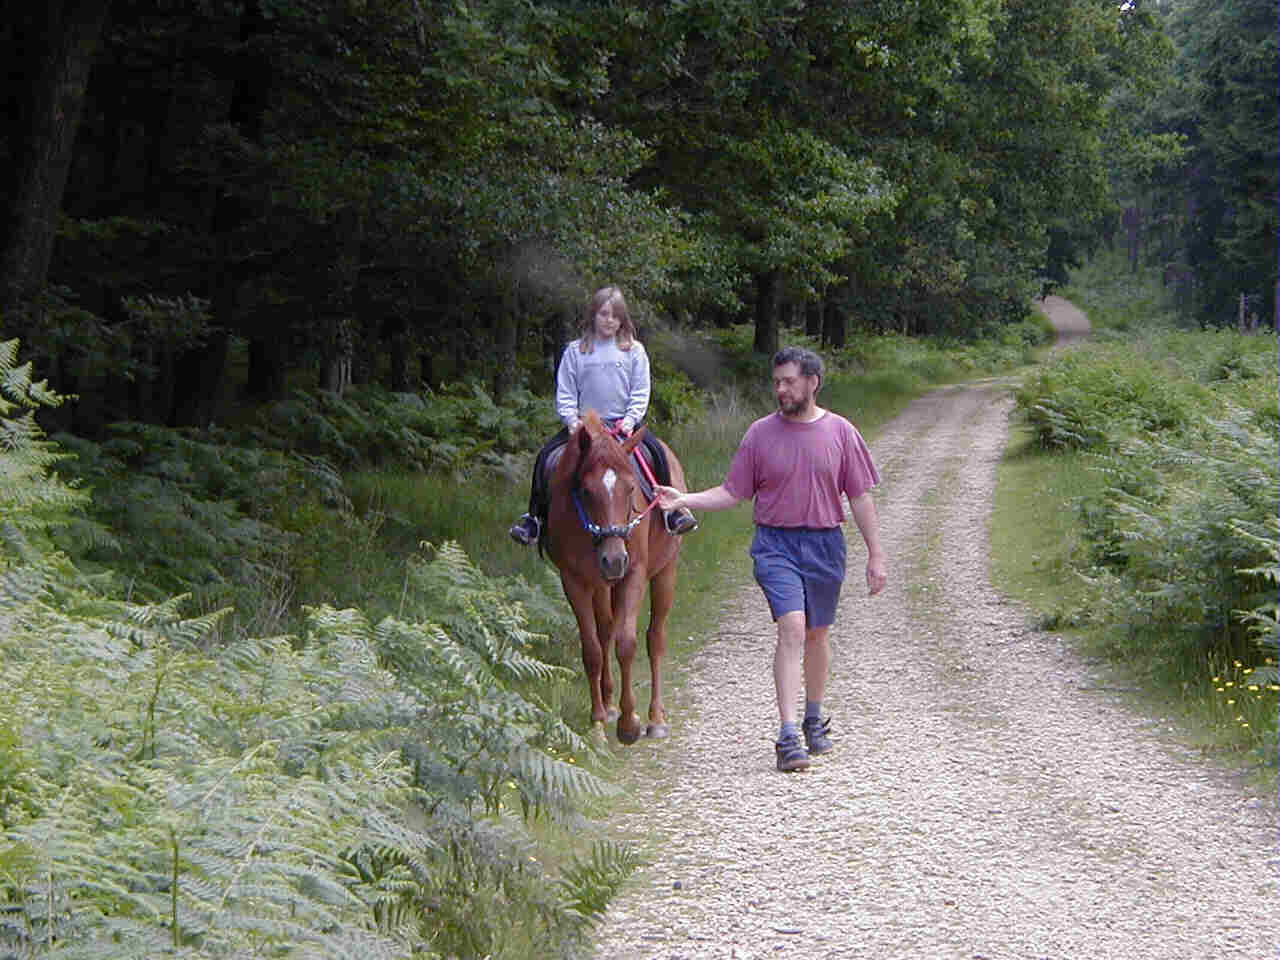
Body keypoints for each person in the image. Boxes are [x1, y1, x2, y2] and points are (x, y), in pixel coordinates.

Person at [654, 346, 887, 772]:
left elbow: (859, 496)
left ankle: (813, 718)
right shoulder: (759, 435)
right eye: (776, 381)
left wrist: (876, 554)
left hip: (825, 544)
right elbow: (732, 492)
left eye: (789, 381)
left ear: (812, 383)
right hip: (775, 545)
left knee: (817, 633)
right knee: (792, 628)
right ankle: (787, 734)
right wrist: (682, 498)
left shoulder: (841, 432)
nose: (780, 389)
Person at [509, 285, 698, 545]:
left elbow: (641, 391)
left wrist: (631, 420)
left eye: (615, 315)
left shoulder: (634, 350)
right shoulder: (575, 351)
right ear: (593, 315)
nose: (610, 320)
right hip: (585, 428)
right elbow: (565, 393)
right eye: (604, 313)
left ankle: (671, 512)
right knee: (546, 458)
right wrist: (572, 422)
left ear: (623, 319)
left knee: (656, 454)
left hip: (623, 425)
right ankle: (535, 519)